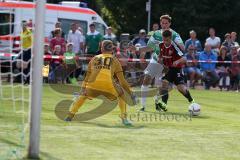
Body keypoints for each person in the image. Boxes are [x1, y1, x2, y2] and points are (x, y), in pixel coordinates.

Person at [64, 40, 137, 126]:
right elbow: (122, 81)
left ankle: (70, 115)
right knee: (121, 94)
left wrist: (83, 89)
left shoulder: (94, 58)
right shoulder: (115, 60)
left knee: (83, 96)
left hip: (92, 86)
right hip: (108, 86)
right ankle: (124, 119)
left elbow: (87, 77)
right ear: (112, 49)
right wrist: (131, 93)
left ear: (101, 49)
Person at [136, 14, 185, 111]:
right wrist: (137, 49)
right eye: (162, 23)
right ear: (160, 23)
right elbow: (149, 47)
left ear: (169, 24)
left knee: (163, 85)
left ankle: (158, 102)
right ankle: (143, 106)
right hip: (155, 60)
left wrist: (173, 43)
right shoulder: (156, 34)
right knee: (146, 79)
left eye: (166, 23)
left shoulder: (175, 34)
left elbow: (182, 48)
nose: (164, 25)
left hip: (167, 63)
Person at [154, 30, 195, 111]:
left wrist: (177, 61)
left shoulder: (175, 46)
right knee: (164, 84)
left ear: (170, 38)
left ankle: (192, 101)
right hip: (167, 69)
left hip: (177, 70)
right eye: (164, 40)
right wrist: (159, 59)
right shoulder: (161, 45)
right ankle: (164, 105)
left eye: (167, 40)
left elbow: (184, 58)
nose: (165, 42)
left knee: (181, 88)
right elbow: (160, 56)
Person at [16, 20, 33, 84]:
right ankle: (26, 78)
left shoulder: (29, 32)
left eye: (25, 25)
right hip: (23, 50)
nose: (24, 26)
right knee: (18, 64)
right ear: (21, 25)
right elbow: (22, 42)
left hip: (28, 50)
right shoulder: (21, 32)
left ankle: (27, 79)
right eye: (23, 25)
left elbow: (32, 42)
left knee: (25, 66)